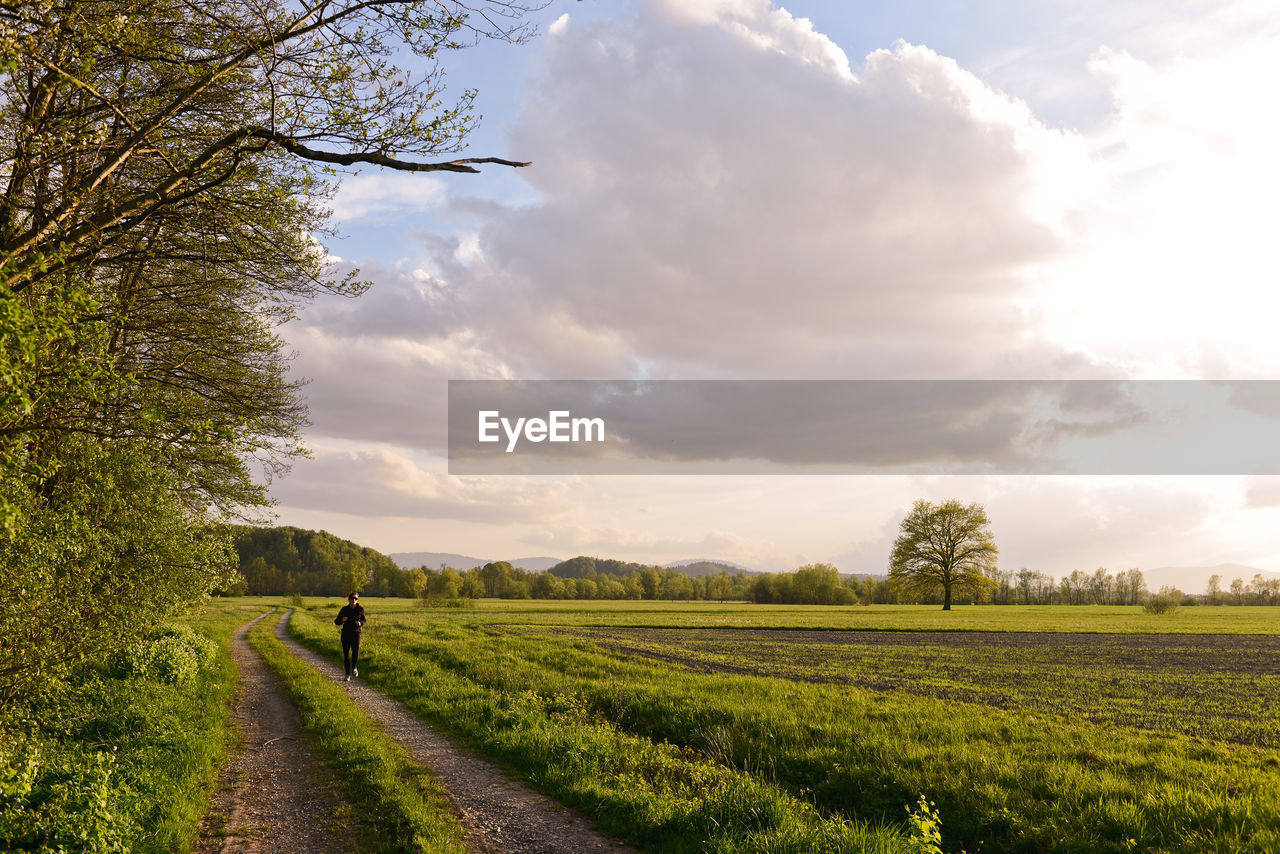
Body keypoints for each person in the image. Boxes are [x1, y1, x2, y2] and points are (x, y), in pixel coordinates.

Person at [333, 592, 366, 681]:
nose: (354, 600)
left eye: (356, 598)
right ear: (349, 599)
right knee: (346, 655)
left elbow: (364, 620)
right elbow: (336, 622)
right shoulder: (344, 609)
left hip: (356, 633)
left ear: (357, 600)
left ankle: (354, 667)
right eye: (352, 598)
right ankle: (347, 674)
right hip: (346, 634)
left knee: (356, 652)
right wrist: (342, 620)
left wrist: (360, 623)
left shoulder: (360, 609)